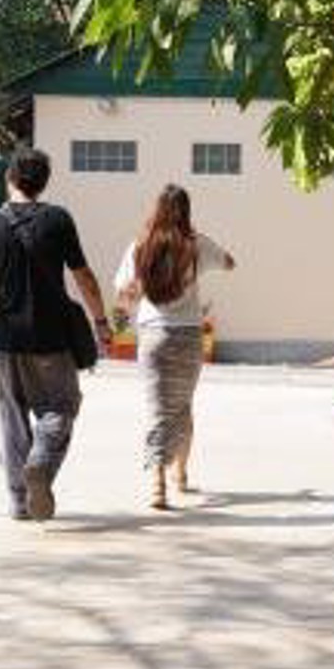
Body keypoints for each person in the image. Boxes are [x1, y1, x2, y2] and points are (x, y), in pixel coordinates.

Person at [0, 147, 111, 521]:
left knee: (12, 417)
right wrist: (101, 322)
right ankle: (41, 461)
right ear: (44, 182)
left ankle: (19, 501)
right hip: (52, 337)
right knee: (62, 405)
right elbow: (84, 277)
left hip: (7, 340)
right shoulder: (58, 219)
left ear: (9, 178)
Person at [113, 184, 235, 510]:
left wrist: (123, 317)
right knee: (182, 407)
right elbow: (230, 262)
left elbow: (124, 293)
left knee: (157, 409)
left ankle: (157, 483)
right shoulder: (196, 244)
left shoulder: (140, 245)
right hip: (188, 337)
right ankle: (179, 473)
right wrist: (202, 246)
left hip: (152, 336)